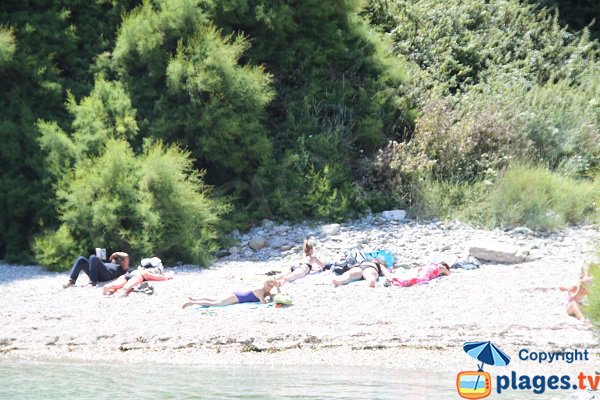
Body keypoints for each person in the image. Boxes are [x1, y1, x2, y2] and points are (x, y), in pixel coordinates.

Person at [181, 279, 280, 308]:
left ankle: (194, 299)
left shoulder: (267, 292)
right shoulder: (260, 290)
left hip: (237, 295)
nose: (270, 287)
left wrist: (278, 287)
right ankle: (191, 303)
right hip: (237, 298)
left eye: (272, 286)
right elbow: (263, 303)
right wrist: (269, 301)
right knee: (215, 304)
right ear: (265, 284)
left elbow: (279, 296)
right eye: (269, 285)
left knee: (214, 299)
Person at [63, 251, 129, 288]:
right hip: (96, 273)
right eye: (115, 258)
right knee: (81, 259)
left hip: (107, 275)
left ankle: (92, 283)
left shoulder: (122, 268)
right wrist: (98, 260)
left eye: (117, 258)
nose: (115, 259)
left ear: (121, 261)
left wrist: (115, 254)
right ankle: (71, 281)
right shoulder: (108, 263)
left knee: (93, 257)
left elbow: (126, 256)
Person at [102, 263, 173, 297]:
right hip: (137, 276)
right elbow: (156, 277)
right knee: (130, 284)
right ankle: (123, 292)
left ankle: (107, 287)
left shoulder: (136, 270)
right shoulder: (145, 272)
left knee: (117, 284)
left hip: (125, 275)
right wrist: (166, 277)